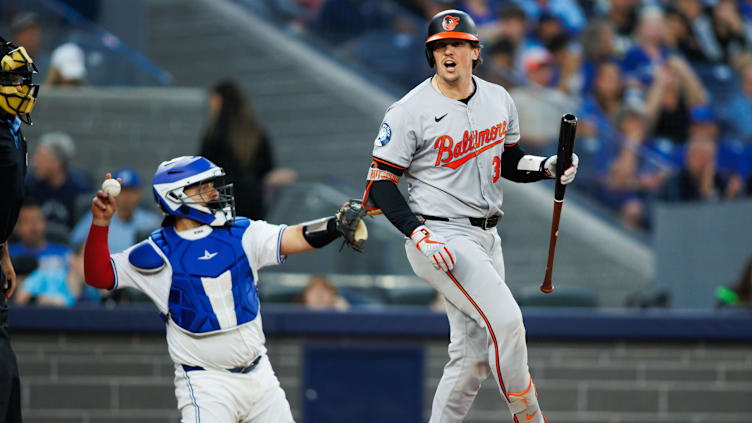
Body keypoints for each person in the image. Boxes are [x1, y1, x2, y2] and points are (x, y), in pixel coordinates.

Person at [360, 10, 578, 423]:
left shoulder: (499, 98)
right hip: (439, 236)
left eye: (457, 43)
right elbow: (379, 184)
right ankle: (528, 415)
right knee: (508, 321)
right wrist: (417, 233)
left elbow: (510, 161)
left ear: (475, 51)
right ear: (431, 55)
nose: (448, 51)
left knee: (471, 359)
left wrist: (548, 166)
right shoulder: (409, 109)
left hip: (486, 236)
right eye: (440, 46)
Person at [82, 156, 365, 422]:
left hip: (259, 375)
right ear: (176, 196)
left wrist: (335, 224)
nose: (214, 192)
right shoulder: (157, 252)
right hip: (207, 383)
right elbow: (99, 275)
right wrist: (101, 223)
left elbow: (293, 237)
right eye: (202, 187)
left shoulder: (241, 231)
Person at [0, 35, 39, 423]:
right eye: (12, 79)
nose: (21, 88)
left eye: (21, 79)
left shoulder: (12, 125)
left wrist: (4, 248)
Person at [200, 80, 296, 220]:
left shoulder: (215, 131)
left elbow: (204, 165)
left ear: (219, 100)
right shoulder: (254, 130)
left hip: (222, 201)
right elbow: (267, 167)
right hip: (253, 201)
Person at [70, 167, 160, 253]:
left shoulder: (151, 222)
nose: (126, 197)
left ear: (139, 194)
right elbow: (74, 246)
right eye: (122, 191)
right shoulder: (99, 216)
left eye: (131, 191)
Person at [25, 131, 93, 229]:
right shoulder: (29, 186)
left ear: (57, 162)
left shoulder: (80, 190)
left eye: (41, 158)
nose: (35, 163)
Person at [8, 199, 71, 278]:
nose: (33, 226)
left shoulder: (64, 253)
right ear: (15, 227)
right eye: (26, 221)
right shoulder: (8, 256)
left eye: (37, 219)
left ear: (45, 222)